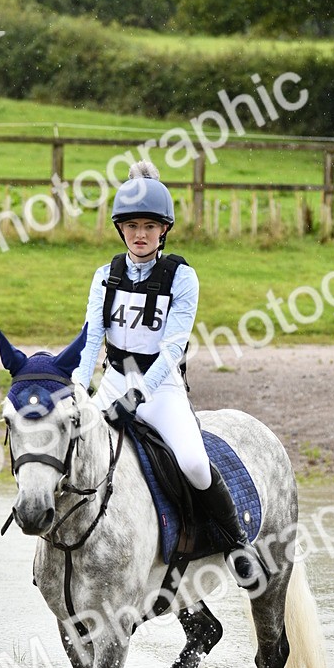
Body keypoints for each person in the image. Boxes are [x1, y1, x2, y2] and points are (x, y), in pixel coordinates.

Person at [73, 161, 267, 590]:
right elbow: (91, 342)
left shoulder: (183, 277)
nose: (140, 234)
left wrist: (137, 396)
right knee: (71, 448)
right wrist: (77, 391)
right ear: (119, 229)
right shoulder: (104, 277)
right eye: (131, 225)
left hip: (160, 388)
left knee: (196, 464)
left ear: (164, 230)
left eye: (149, 226)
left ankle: (236, 543)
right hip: (113, 382)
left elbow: (173, 349)